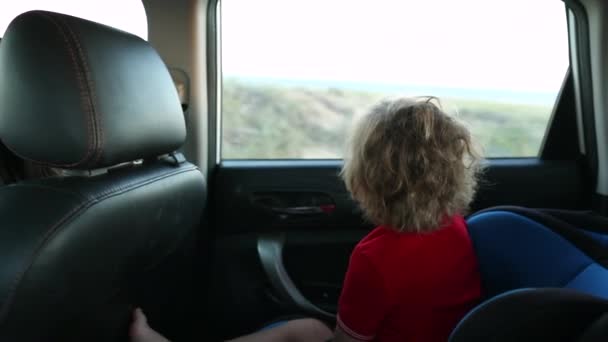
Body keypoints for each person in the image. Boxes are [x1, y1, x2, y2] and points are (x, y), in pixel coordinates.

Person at [131, 96, 484, 342]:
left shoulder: (375, 258)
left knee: (303, 331)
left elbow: (350, 340)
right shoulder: (455, 226)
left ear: (364, 180)